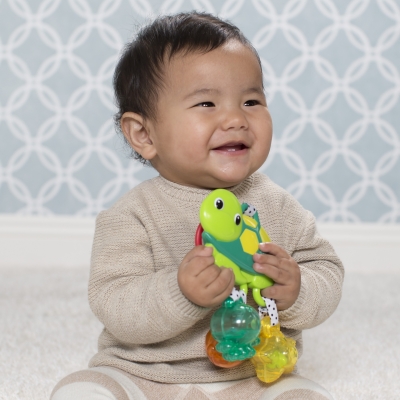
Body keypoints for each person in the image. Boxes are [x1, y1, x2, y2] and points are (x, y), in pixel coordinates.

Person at [51, 11, 344, 400]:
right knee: (79, 391)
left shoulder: (276, 204)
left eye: (251, 101)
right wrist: (179, 290)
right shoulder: (132, 216)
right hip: (144, 374)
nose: (236, 118)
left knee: (307, 395)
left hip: (255, 374)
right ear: (144, 134)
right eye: (207, 103)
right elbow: (114, 302)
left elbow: (327, 269)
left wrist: (298, 288)